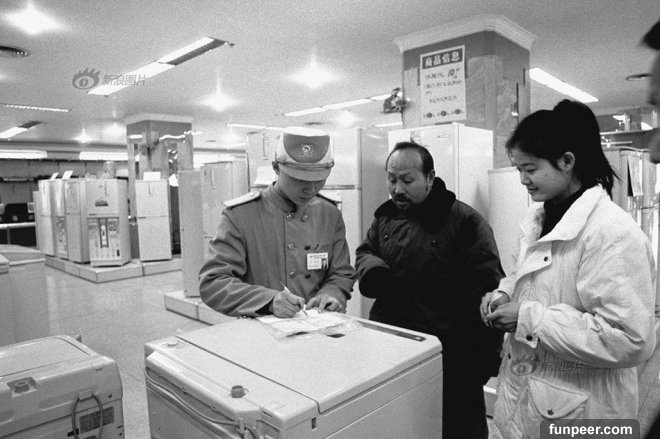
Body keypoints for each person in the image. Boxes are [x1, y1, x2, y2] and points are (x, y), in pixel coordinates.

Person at [480, 100, 656, 439]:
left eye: (530, 169)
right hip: (529, 397)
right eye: (518, 169)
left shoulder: (612, 233)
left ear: (567, 161)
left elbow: (630, 339)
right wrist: (503, 294)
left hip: (586, 414)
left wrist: (528, 318)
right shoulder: (539, 218)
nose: (523, 180)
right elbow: (527, 276)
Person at [355, 142, 505, 439]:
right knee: (405, 427)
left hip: (451, 357)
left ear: (430, 178)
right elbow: (365, 251)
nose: (397, 189)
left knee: (457, 429)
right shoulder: (384, 217)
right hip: (394, 348)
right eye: (391, 179)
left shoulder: (465, 222)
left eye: (407, 180)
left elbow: (489, 293)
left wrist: (482, 360)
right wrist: (372, 269)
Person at [199, 126, 355, 318]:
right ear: (276, 168)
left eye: (319, 180)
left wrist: (331, 294)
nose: (311, 189)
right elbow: (213, 281)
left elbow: (341, 273)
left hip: (319, 326)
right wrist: (268, 301)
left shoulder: (329, 214)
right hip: (261, 329)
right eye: (299, 180)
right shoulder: (241, 215)